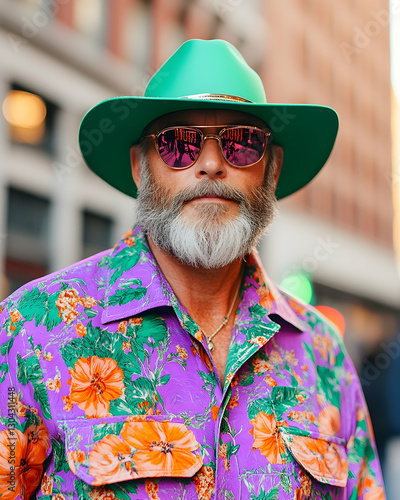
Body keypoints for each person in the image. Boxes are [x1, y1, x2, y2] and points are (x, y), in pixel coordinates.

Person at [0, 39, 385, 500]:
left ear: (272, 170)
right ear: (141, 169)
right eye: (178, 143)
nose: (210, 164)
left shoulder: (324, 352)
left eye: (242, 144)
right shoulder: (29, 328)